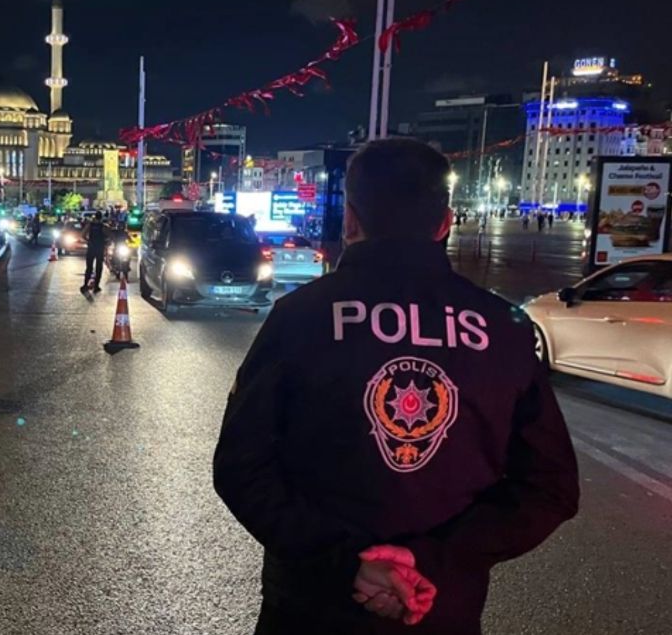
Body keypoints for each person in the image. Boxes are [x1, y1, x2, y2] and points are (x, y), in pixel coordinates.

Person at [213, 139, 579, 635]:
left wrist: (344, 562)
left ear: (351, 221)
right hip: (439, 607)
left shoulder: (300, 316)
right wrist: (433, 561)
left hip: (309, 605)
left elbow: (241, 466)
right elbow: (551, 486)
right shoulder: (502, 327)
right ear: (445, 223)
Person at [81, 211, 108, 293]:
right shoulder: (103, 226)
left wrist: (88, 241)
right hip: (99, 249)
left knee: (89, 268)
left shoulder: (90, 225)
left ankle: (85, 285)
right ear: (101, 217)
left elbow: (83, 235)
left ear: (95, 217)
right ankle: (96, 286)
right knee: (99, 268)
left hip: (91, 248)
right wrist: (105, 242)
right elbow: (109, 236)